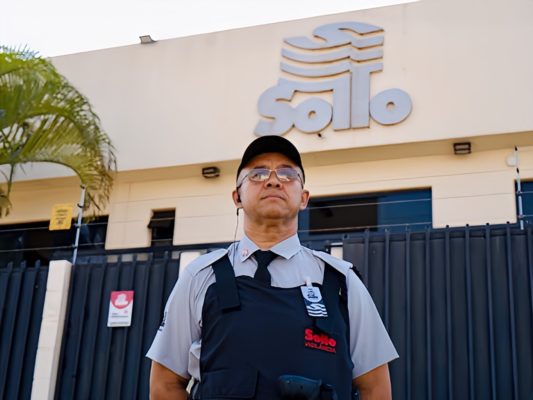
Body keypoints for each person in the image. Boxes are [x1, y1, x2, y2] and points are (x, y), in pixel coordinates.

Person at [147, 135, 398, 399]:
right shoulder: (200, 277)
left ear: (304, 198)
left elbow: (375, 387)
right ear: (237, 197)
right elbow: (164, 384)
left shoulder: (341, 281)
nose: (274, 180)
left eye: (288, 173)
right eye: (257, 173)